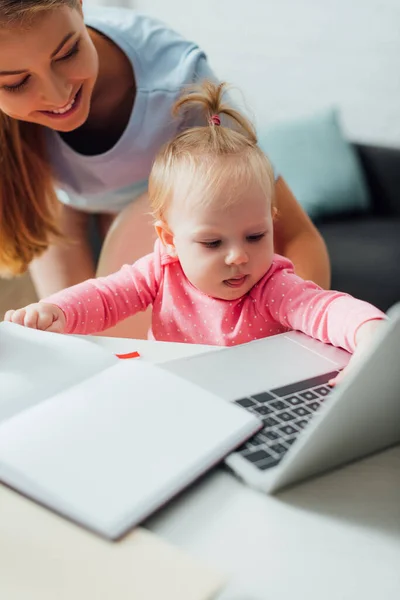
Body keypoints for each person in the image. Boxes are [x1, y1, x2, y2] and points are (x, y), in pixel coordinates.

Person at [5, 80, 386, 385]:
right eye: (212, 242)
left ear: (271, 220)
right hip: (174, 392)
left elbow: (324, 309)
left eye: (256, 236)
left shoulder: (271, 284)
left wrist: (370, 332)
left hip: (248, 401)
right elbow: (104, 297)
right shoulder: (160, 271)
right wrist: (55, 311)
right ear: (169, 239)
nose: (239, 256)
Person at [0, 0, 330, 339]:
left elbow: (297, 236)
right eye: (15, 83)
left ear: (82, 9)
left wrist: (290, 338)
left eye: (68, 53)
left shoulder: (182, 84)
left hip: (146, 200)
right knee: (70, 339)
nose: (57, 95)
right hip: (58, 204)